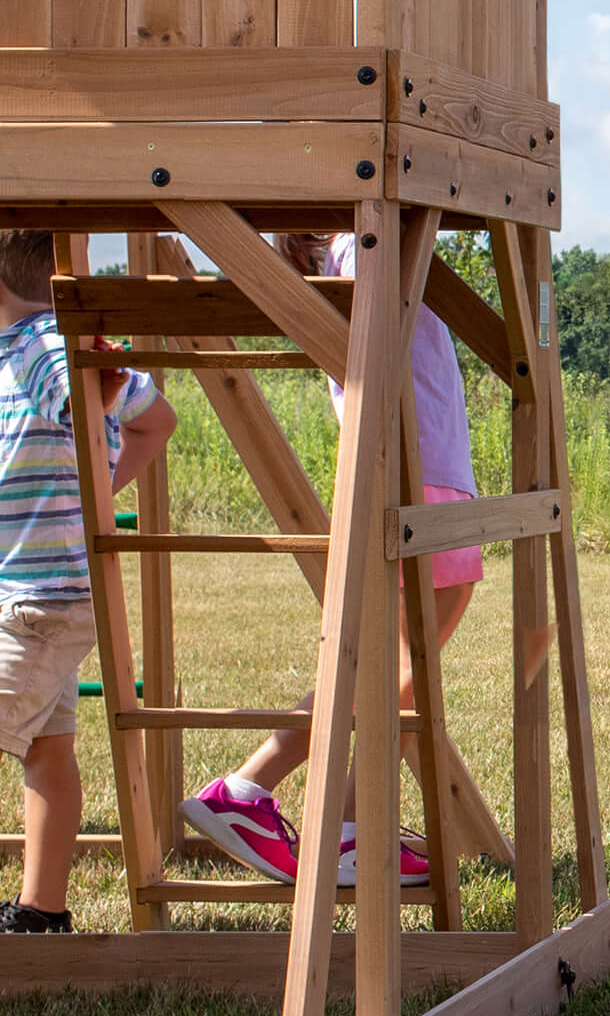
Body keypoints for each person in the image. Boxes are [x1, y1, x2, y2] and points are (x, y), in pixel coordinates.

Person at [182, 231, 478, 891]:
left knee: (393, 658)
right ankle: (324, 819)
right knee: (405, 661)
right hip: (419, 465)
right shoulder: (371, 242)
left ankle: (295, 806)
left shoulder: (356, 249)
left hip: (406, 463)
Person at [0, 230, 174, 935]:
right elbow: (155, 421)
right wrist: (96, 487)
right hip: (40, 592)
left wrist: (95, 398)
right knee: (48, 751)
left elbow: (94, 401)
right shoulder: (40, 345)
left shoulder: (42, 343)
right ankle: (42, 913)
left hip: (40, 600)